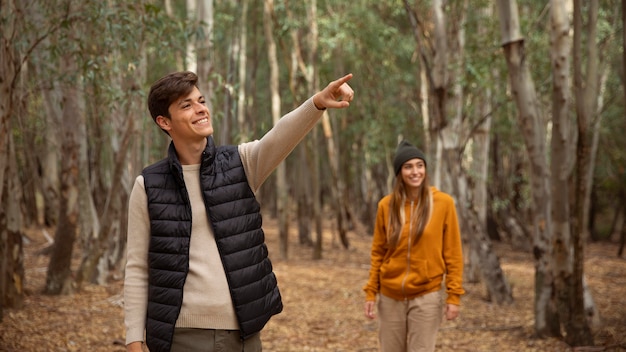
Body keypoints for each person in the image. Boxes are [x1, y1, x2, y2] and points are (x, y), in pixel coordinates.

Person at [124, 71, 354, 352]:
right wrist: (135, 341)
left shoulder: (239, 164)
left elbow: (278, 137)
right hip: (182, 336)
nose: (200, 109)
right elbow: (137, 268)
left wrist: (316, 103)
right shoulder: (148, 185)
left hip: (243, 334)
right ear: (164, 121)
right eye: (186, 105)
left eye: (201, 101)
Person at [362, 140, 464, 352]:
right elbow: (378, 252)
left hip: (426, 296)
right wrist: (371, 292)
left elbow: (453, 254)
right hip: (390, 297)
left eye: (420, 165)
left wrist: (454, 296)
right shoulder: (386, 205)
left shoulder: (444, 203)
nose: (415, 171)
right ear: (400, 172)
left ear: (426, 169)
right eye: (408, 166)